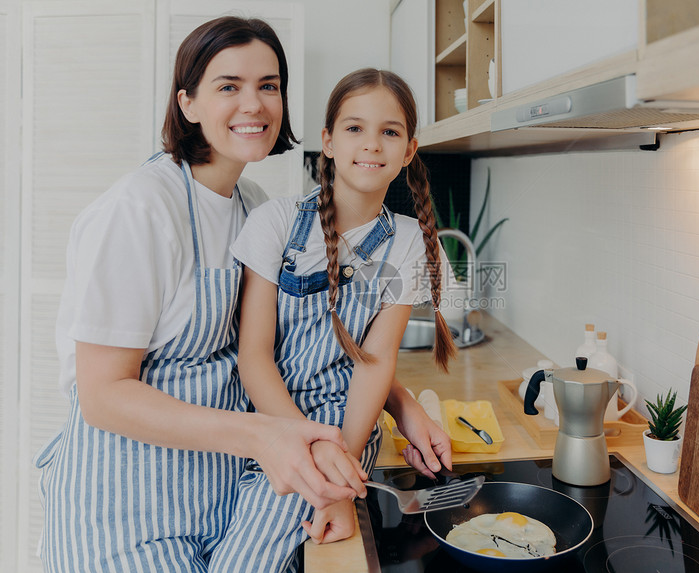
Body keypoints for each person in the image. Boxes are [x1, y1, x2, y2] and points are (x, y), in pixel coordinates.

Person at [34, 18, 449, 572]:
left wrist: (401, 406)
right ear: (188, 103)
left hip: (221, 489)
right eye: (229, 86)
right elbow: (103, 394)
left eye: (269, 85)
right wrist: (271, 436)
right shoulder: (138, 211)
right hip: (126, 503)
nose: (253, 104)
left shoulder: (253, 206)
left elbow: (309, 337)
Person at [208, 68, 456, 572]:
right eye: (354, 128)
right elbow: (254, 357)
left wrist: (335, 469)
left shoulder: (409, 243)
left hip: (345, 429)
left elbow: (374, 363)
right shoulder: (275, 222)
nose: (371, 144)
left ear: (409, 150)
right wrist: (306, 453)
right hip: (262, 421)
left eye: (390, 131)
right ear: (327, 141)